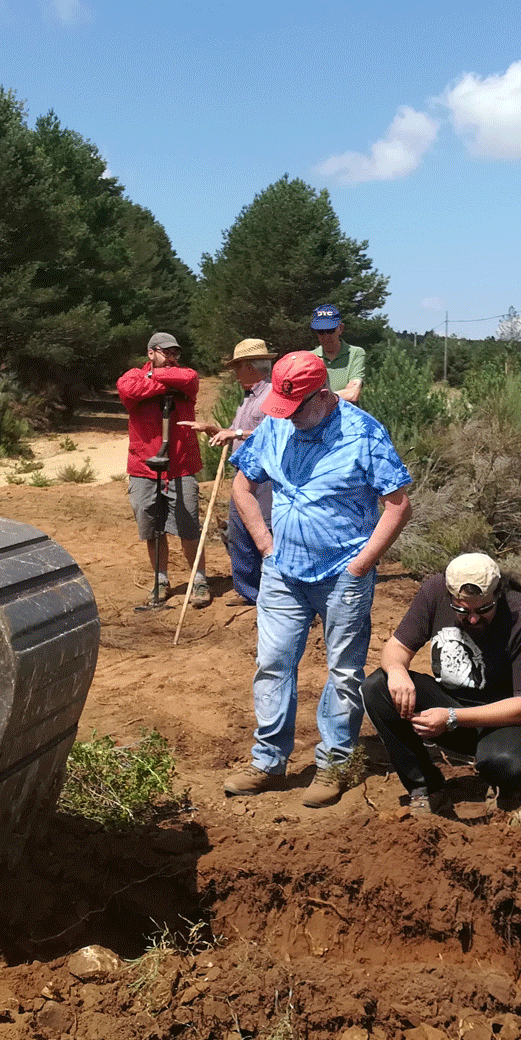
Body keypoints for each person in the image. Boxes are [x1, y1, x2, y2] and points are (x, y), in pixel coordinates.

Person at [224, 352, 412, 807]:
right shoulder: (274, 423)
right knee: (272, 664)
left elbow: (398, 503)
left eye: (297, 408)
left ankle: (335, 764)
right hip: (282, 571)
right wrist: (266, 546)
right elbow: (242, 486)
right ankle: (268, 760)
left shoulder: (363, 433)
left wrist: (362, 563)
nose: (287, 418)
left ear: (323, 395)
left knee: (343, 671)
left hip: (342, 573)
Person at [362, 553, 521, 822]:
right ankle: (426, 789)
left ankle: (515, 791)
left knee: (502, 765)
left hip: (509, 719)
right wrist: (396, 671)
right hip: (453, 706)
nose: (473, 619)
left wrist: (452, 718)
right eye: (462, 610)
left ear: (498, 594)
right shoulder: (435, 592)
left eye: (483, 609)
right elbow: (396, 648)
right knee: (378, 687)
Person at [115, 333, 208, 609]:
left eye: (175, 353)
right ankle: (160, 579)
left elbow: (189, 380)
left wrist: (154, 380)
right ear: (150, 353)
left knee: (189, 524)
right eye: (166, 353)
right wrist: (161, 382)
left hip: (181, 465)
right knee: (151, 526)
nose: (172, 358)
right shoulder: (133, 375)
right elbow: (128, 389)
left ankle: (199, 579)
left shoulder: (186, 375)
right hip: (144, 466)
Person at [187, 338, 275, 605]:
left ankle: (275, 594)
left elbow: (272, 432)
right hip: (243, 474)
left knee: (266, 531)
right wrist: (218, 430)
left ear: (251, 366)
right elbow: (240, 431)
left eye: (238, 367)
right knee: (240, 532)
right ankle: (248, 592)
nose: (235, 374)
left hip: (266, 476)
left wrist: (235, 433)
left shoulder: (272, 395)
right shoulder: (249, 398)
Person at [309, 304, 365, 404]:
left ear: (341, 329)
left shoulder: (355, 353)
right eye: (320, 332)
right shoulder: (309, 358)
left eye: (330, 331)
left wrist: (318, 398)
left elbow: (353, 394)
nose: (326, 337)